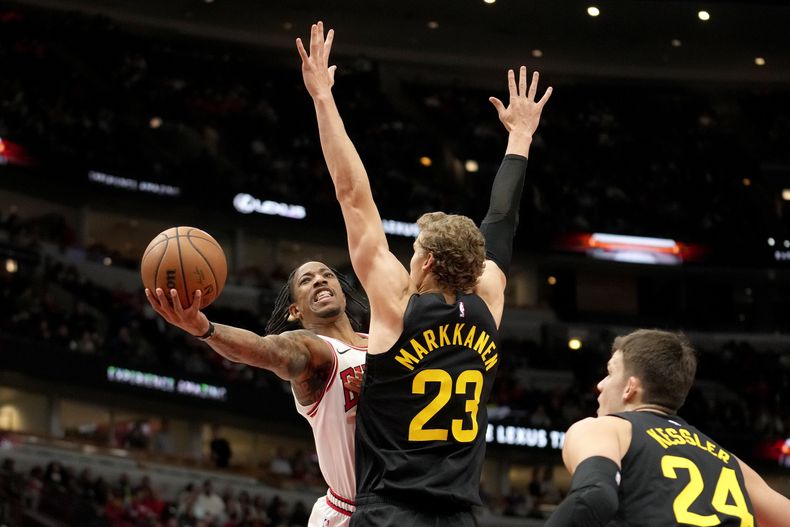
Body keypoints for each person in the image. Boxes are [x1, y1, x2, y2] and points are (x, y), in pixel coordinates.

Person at [297, 21, 551, 526]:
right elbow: (501, 220)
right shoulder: (490, 302)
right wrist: (520, 138)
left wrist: (323, 98)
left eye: (413, 250)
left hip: (392, 510)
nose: (408, 258)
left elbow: (353, 197)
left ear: (428, 261)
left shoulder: (396, 308)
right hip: (460, 514)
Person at [144, 260, 369, 526]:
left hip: (408, 500)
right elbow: (265, 350)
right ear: (295, 311)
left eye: (327, 275)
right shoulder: (313, 349)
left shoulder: (381, 344)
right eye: (307, 280)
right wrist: (206, 330)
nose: (319, 280)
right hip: (354, 512)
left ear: (342, 292)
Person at [544, 329, 790, 527]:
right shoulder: (731, 462)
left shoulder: (605, 430)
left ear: (630, 387)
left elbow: (594, 497)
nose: (600, 385)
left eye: (609, 373)